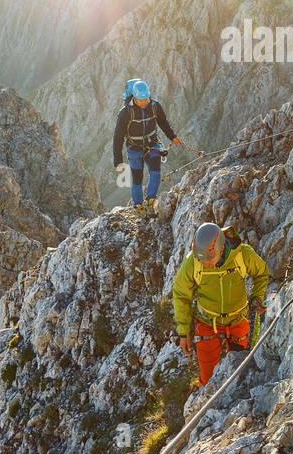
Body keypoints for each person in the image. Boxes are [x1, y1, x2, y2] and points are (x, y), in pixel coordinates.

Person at [172, 222, 268, 385]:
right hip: (207, 322)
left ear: (221, 248)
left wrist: (256, 297)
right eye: (202, 261)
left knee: (240, 373)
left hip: (239, 320)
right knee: (207, 379)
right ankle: (206, 404)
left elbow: (261, 274)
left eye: (210, 260)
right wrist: (183, 332)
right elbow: (181, 294)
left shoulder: (242, 255)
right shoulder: (193, 262)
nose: (205, 264)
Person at [112, 79, 183, 213]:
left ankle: (151, 200)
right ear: (134, 97)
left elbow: (163, 123)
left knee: (155, 173)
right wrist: (118, 161)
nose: (144, 102)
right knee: (137, 179)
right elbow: (118, 137)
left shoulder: (155, 106)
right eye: (140, 99)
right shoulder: (126, 113)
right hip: (134, 148)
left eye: (146, 99)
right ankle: (138, 205)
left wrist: (172, 137)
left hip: (152, 145)